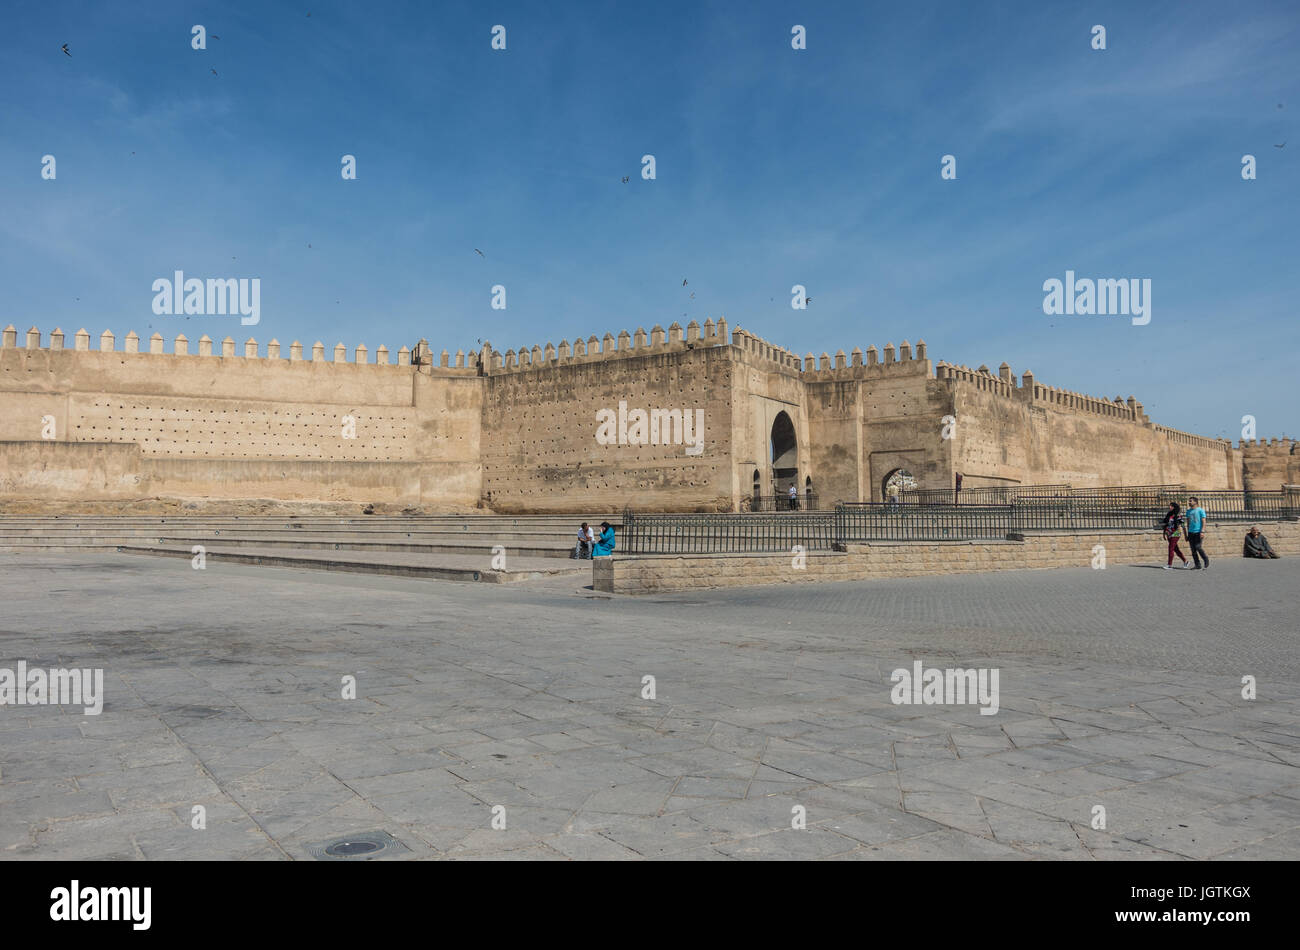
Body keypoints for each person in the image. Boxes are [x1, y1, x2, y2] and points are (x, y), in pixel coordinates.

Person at [1160, 502, 1189, 569]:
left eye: (1171, 506)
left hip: (1176, 534)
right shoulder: (1169, 515)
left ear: (1174, 507)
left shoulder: (1178, 516)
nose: (1170, 507)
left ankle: (1169, 565)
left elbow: (1183, 526)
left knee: (1171, 548)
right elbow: (1166, 525)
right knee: (1176, 549)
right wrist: (1164, 533)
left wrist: (1185, 535)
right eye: (1169, 506)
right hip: (1169, 534)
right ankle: (1185, 561)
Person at [1184, 496, 1209, 571]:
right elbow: (1188, 523)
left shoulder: (1200, 510)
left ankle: (1205, 559)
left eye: (1191, 501)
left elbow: (1204, 521)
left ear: (1195, 502)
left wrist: (1202, 531)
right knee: (1193, 550)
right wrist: (1187, 534)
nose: (1189, 502)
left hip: (1198, 532)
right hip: (1191, 532)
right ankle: (1197, 565)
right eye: (1189, 501)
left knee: (1198, 547)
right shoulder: (1188, 511)